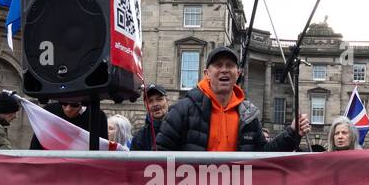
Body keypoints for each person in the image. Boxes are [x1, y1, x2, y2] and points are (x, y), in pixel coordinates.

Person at [155, 46, 309, 152]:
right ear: (206, 73)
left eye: (230, 65)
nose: (224, 70)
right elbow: (159, 156)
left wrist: (292, 132)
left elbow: (263, 154)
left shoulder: (248, 115)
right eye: (218, 65)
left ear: (238, 73)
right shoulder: (182, 110)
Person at [30, 97, 107, 149]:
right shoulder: (49, 111)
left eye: (74, 105)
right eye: (64, 103)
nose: (68, 109)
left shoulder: (97, 115)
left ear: (84, 103)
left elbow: (103, 148)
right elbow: (36, 144)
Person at [132, 84, 169, 151]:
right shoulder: (139, 137)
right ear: (145, 106)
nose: (155, 104)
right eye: (150, 101)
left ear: (167, 101)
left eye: (159, 99)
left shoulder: (180, 130)